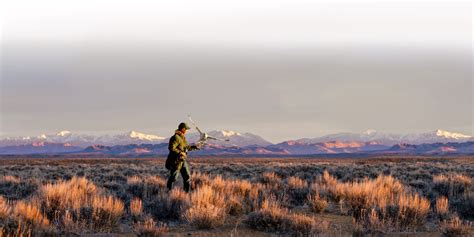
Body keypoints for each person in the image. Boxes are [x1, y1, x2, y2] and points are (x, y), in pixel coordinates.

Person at [165, 122, 200, 192]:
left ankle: (187, 193)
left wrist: (194, 147)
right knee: (174, 178)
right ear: (183, 129)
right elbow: (171, 148)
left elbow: (186, 147)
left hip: (182, 160)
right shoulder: (175, 137)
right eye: (186, 129)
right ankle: (168, 192)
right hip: (175, 161)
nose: (186, 131)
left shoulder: (182, 138)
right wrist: (180, 153)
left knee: (187, 177)